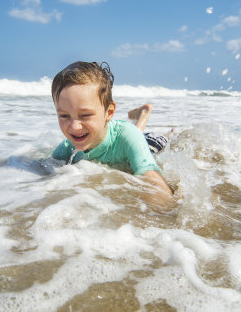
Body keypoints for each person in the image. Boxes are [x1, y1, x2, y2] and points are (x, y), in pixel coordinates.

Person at [51, 61, 174, 208]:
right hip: (125, 136)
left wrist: (167, 213)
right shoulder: (66, 148)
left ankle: (147, 115)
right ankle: (141, 113)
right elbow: (45, 168)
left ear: (109, 112)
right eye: (64, 116)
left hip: (149, 143)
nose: (74, 127)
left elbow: (150, 175)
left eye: (85, 115)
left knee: (151, 138)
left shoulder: (127, 135)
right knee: (133, 135)